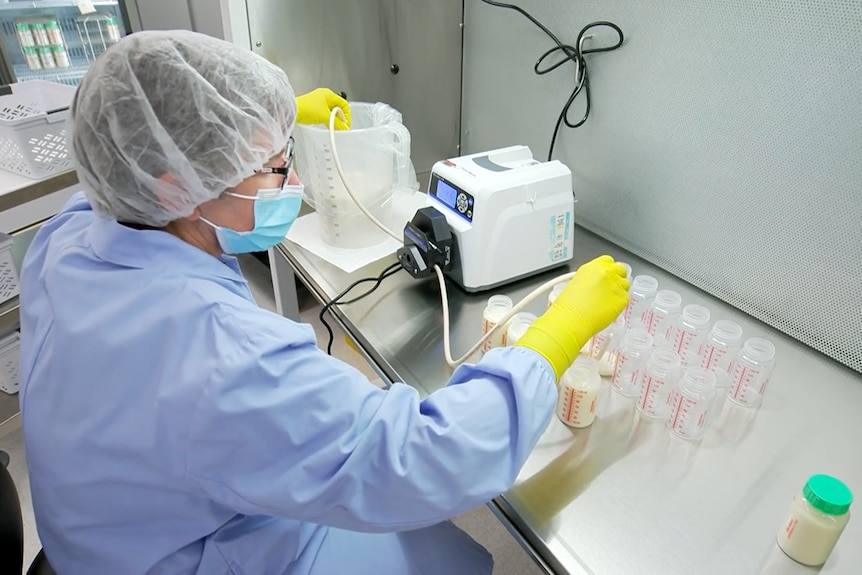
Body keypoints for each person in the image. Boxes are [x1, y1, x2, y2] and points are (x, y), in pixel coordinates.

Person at [18, 30, 629, 574]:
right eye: (275, 167)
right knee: (456, 558)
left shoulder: (73, 234)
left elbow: (142, 137)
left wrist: (268, 124)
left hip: (117, 529)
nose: (295, 184)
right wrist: (555, 335)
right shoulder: (220, 358)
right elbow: (423, 459)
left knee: (446, 550)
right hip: (180, 552)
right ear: (176, 184)